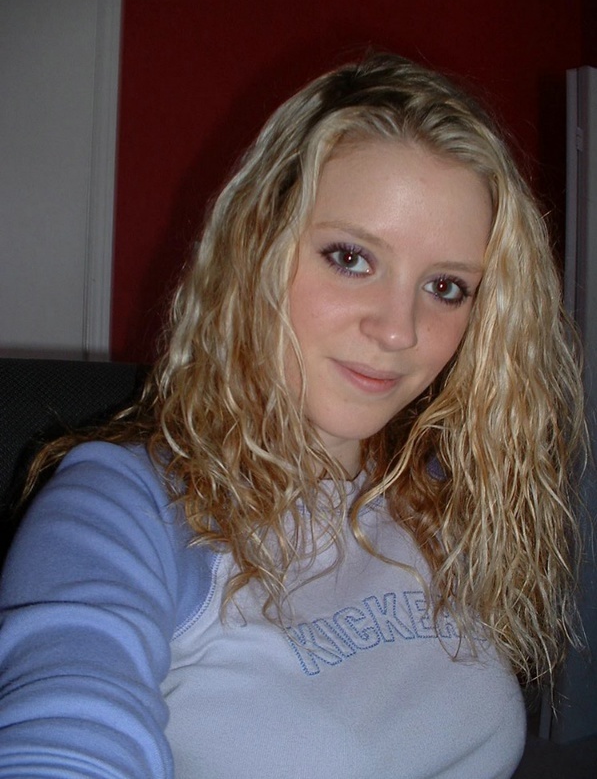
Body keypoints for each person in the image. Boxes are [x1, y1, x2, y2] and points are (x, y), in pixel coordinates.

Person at [0, 53, 585, 779]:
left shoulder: (436, 491)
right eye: (351, 258)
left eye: (445, 287)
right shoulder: (123, 509)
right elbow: (62, 732)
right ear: (257, 248)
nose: (398, 330)